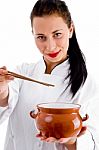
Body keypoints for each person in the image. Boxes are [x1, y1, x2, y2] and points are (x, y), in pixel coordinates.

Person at [0, 0, 99, 149]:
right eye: (41, 37)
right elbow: (5, 101)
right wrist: (1, 89)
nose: (50, 46)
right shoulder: (22, 72)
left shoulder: (88, 84)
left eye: (57, 34)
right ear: (33, 35)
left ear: (70, 29)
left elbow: (93, 143)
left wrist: (71, 140)